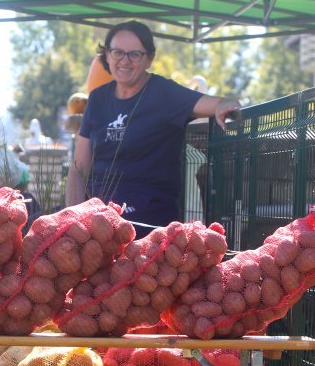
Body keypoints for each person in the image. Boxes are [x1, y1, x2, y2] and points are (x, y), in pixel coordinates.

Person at [65, 20, 242, 238]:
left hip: (146, 215)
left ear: (149, 58)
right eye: (117, 52)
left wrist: (226, 105)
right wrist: (70, 218)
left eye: (135, 54)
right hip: (96, 211)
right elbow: (78, 168)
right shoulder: (97, 99)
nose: (124, 61)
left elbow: (217, 102)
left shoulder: (164, 93)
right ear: (107, 55)